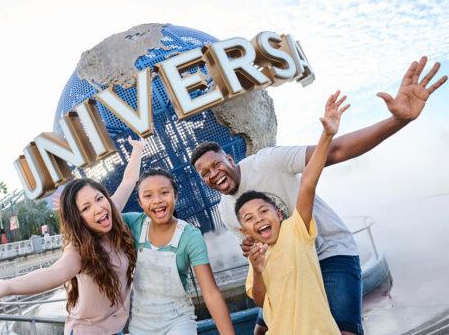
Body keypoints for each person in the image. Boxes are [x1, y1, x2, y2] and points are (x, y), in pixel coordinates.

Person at [190, 57, 447, 335]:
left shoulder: (268, 161)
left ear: (229, 158)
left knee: (344, 330)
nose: (212, 174)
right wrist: (253, 254)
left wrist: (399, 120)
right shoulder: (228, 211)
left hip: (329, 253)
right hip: (291, 266)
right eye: (204, 173)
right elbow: (263, 258)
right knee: (262, 330)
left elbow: (334, 152)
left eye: (216, 164)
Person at [0, 137, 147, 335]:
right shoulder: (79, 250)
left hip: (115, 328)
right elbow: (53, 273)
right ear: (78, 219)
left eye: (99, 198)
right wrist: (6, 286)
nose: (98, 209)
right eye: (86, 208)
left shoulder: (112, 212)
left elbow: (128, 180)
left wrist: (137, 149)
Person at [236, 94, 349, 334]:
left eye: (264, 211)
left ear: (279, 214)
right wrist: (256, 270)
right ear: (245, 232)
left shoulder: (296, 230)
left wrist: (327, 135)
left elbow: (308, 182)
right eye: (249, 218)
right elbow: (260, 300)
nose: (259, 219)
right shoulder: (256, 258)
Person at [122, 167, 235, 335]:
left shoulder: (190, 236)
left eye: (164, 192)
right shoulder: (132, 223)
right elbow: (102, 212)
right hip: (140, 322)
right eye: (148, 196)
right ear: (140, 202)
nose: (157, 200)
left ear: (175, 196)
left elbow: (210, 293)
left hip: (178, 320)